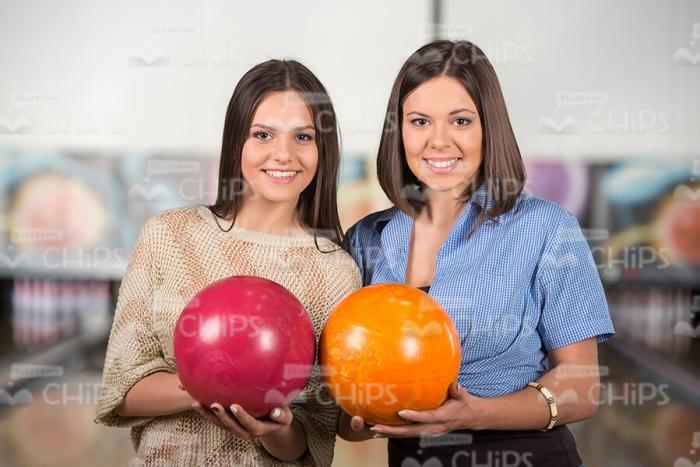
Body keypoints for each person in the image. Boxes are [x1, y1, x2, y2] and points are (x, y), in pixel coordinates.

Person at [338, 40, 615, 467]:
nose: (439, 141)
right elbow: (347, 405)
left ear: (489, 127)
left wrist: (478, 413)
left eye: (461, 121)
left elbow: (583, 387)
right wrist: (357, 418)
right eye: (419, 121)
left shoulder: (547, 229)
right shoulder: (366, 240)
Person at [95, 59, 361, 466]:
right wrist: (214, 382)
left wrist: (275, 428)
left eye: (303, 136)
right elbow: (121, 388)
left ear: (322, 148)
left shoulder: (337, 272)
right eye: (263, 134)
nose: (283, 154)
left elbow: (315, 440)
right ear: (237, 140)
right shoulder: (168, 234)